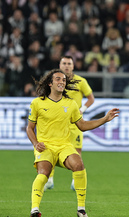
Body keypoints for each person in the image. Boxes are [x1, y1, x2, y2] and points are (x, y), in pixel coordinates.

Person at [26, 69, 119, 217]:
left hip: (64, 146)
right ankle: (35, 209)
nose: (61, 82)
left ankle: (81, 209)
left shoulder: (70, 104)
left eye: (63, 80)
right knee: (43, 172)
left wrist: (104, 119)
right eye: (58, 79)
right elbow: (29, 128)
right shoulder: (37, 103)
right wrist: (36, 143)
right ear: (50, 83)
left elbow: (82, 125)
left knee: (79, 164)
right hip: (46, 146)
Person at [44, 56, 95, 191]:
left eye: (69, 63)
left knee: (77, 151)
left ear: (73, 66)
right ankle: (49, 180)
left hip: (75, 122)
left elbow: (91, 98)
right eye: (64, 63)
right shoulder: (55, 81)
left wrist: (82, 109)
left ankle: (75, 180)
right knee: (52, 148)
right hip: (58, 122)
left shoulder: (80, 81)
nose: (66, 66)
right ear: (60, 65)